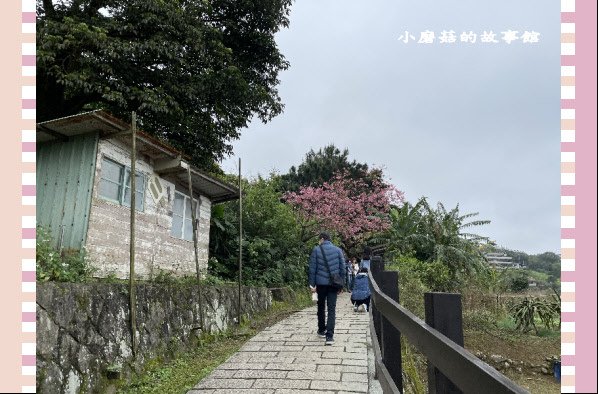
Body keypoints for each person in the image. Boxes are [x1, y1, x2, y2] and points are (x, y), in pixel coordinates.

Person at [308, 232, 345, 345]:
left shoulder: (316, 250)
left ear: (322, 239)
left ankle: (321, 330)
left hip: (321, 284)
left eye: (319, 240)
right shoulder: (338, 250)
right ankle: (329, 337)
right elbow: (342, 268)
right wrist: (341, 285)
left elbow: (312, 269)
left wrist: (312, 285)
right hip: (333, 284)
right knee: (332, 309)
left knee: (321, 307)